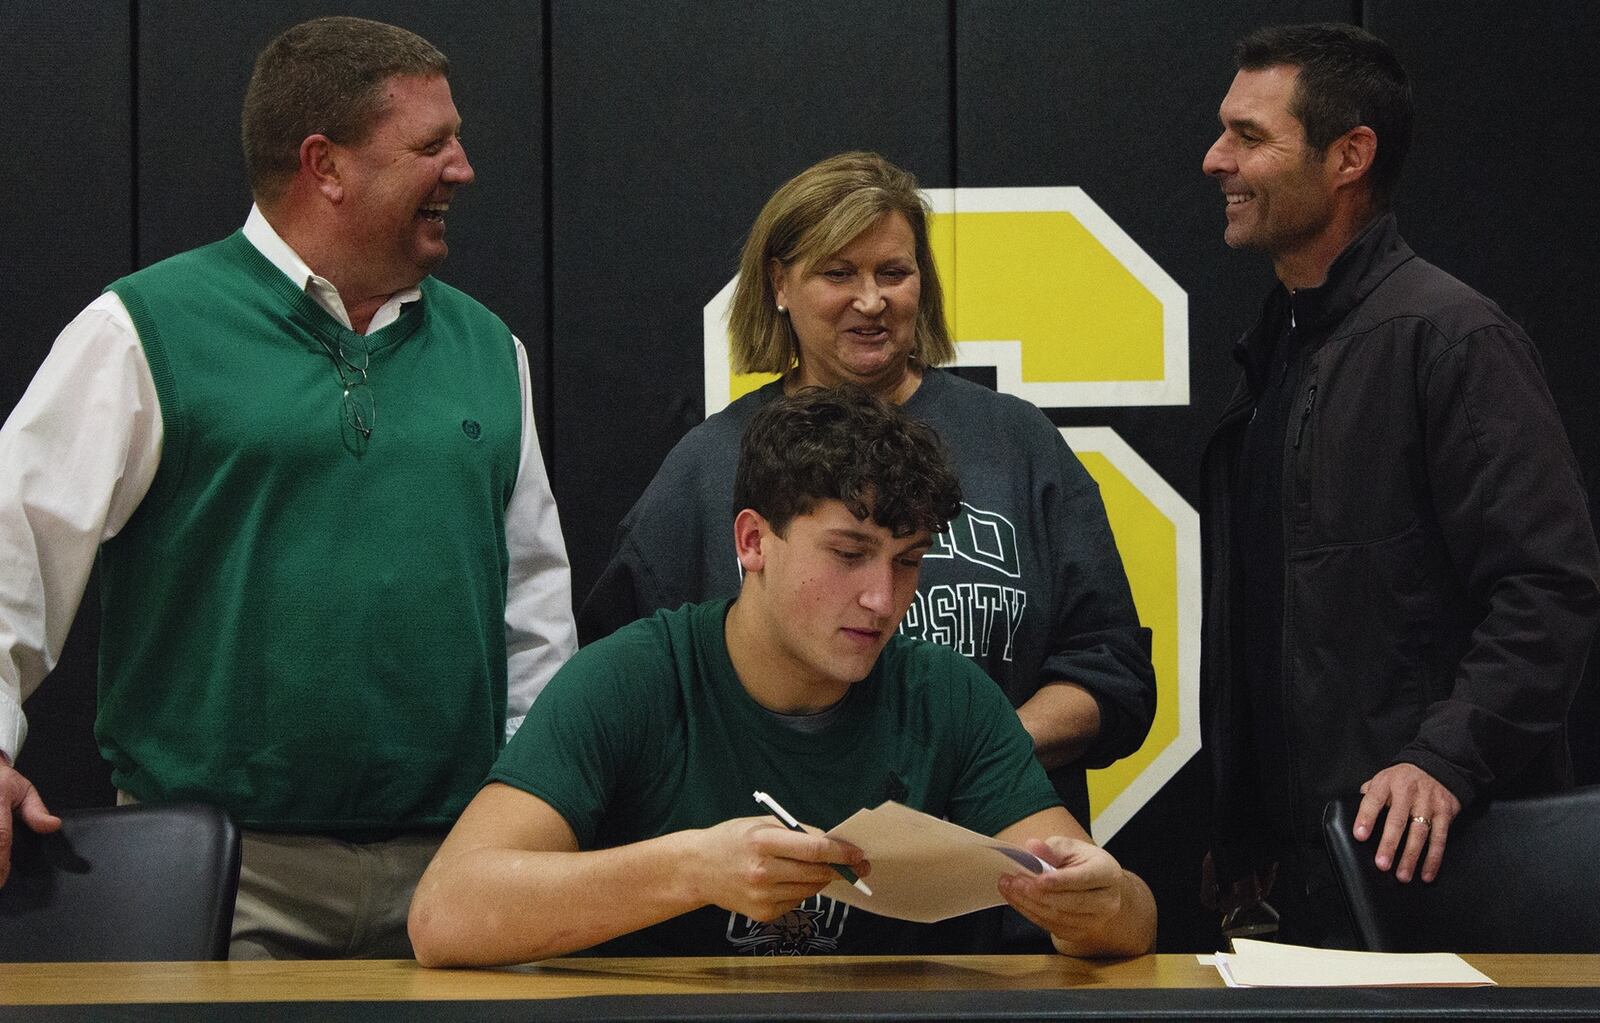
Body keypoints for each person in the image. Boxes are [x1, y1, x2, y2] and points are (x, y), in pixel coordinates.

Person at [0, 16, 577, 958]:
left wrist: (538, 811)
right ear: (327, 165)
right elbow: (11, 541)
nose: (463, 167)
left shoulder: (489, 350)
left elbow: (534, 614)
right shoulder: (145, 330)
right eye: (431, 145)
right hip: (222, 880)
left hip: (455, 874)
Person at [408, 385, 1157, 965]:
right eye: (848, 552)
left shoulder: (948, 694)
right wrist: (695, 867)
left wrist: (1099, 898)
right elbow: (446, 913)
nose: (881, 598)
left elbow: (1132, 917)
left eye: (907, 561)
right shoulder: (633, 678)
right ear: (752, 541)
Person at [579, 150, 1155, 860]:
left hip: (998, 899)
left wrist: (973, 758)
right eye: (838, 273)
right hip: (770, 906)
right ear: (779, 283)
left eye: (893, 272)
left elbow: (1112, 672)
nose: (872, 300)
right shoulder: (706, 468)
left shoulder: (1016, 442)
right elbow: (622, 699)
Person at [1199, 22, 1600, 945]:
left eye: (1250, 136)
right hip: (1293, 888)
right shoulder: (1274, 351)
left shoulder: (1452, 338)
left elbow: (1550, 588)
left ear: (1351, 156)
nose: (1215, 158)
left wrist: (1443, 761)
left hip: (1435, 877)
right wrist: (1240, 821)